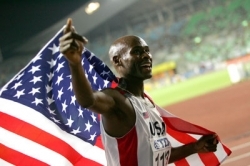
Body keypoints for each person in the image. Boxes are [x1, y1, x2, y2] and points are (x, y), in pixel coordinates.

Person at [59, 18, 218, 166]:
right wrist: (75, 64)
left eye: (147, 51)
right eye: (136, 51)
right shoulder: (116, 100)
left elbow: (157, 154)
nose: (146, 56)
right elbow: (89, 100)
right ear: (117, 60)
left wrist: (195, 147)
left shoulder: (147, 102)